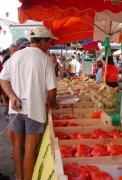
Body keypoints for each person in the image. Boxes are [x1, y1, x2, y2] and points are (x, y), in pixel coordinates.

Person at [0, 26, 57, 180]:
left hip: (16, 108)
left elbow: (3, 78)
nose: (50, 45)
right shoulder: (46, 59)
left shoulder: (16, 56)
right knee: (30, 146)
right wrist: (52, 103)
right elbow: (52, 90)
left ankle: (19, 177)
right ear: (43, 42)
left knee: (17, 145)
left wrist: (12, 96)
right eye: (50, 42)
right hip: (35, 108)